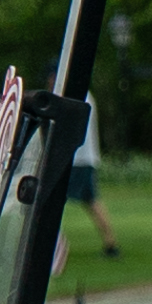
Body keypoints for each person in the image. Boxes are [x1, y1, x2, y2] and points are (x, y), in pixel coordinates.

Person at [59, 102, 123, 267]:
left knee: (54, 201)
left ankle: (52, 246)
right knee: (92, 201)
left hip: (76, 159)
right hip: (86, 158)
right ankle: (111, 244)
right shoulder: (88, 97)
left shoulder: (76, 96)